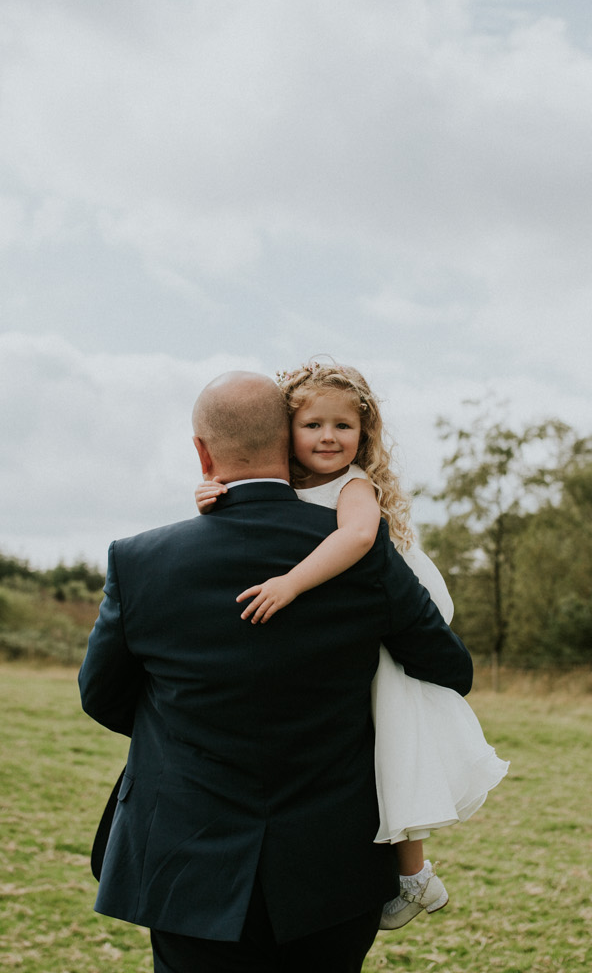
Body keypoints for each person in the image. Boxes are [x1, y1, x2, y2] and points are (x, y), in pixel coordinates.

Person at [79, 371, 475, 972]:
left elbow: (102, 696)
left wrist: (196, 733)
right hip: (334, 867)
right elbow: (449, 666)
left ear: (202, 452)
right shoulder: (361, 550)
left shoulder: (138, 561)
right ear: (287, 438)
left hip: (186, 861)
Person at [196, 359, 508, 931]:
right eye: (312, 425)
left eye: (344, 426)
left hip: (393, 610)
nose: (329, 438)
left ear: (365, 434)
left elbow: (359, 537)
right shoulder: (288, 486)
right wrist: (212, 494)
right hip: (346, 612)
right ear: (285, 431)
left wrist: (291, 583)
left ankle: (414, 875)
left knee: (395, 728)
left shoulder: (354, 485)